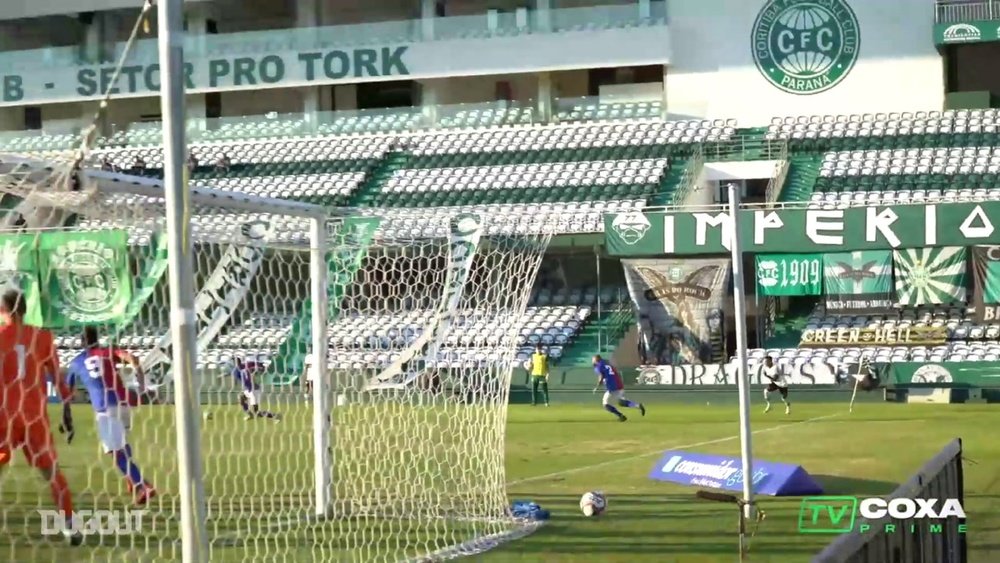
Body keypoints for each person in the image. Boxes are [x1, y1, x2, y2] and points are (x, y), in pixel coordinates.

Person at [0, 290, 81, 544]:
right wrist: (67, 409)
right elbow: (57, 377)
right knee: (52, 472)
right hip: (34, 416)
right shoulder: (43, 336)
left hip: (4, 415)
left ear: (5, 311)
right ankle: (70, 525)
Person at [65, 326, 157, 506]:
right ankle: (131, 480)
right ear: (98, 339)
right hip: (124, 404)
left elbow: (67, 392)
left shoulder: (76, 362)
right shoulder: (108, 351)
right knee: (122, 445)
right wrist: (141, 384)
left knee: (115, 452)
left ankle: (141, 484)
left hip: (104, 408)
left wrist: (67, 416)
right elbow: (133, 359)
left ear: (82, 343)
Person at [592, 354, 645, 422]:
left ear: (596, 360)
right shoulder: (608, 364)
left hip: (612, 387)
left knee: (605, 404)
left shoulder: (599, 366)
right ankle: (638, 406)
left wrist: (597, 386)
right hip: (619, 384)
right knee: (621, 402)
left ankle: (621, 416)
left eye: (593, 360)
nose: (592, 362)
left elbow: (601, 376)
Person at [232, 357, 280, 421]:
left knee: (257, 412)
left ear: (239, 361)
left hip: (254, 390)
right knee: (241, 399)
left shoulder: (247, 365)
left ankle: (275, 417)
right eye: (235, 362)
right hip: (248, 389)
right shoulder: (235, 371)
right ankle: (249, 414)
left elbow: (257, 364)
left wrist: (262, 367)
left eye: (237, 361)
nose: (236, 363)